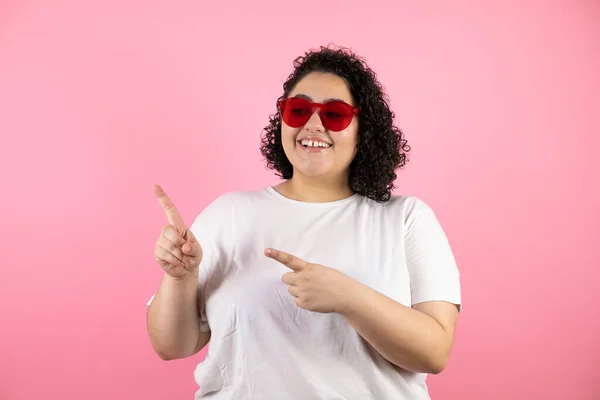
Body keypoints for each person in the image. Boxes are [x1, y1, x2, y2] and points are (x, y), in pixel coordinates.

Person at [146, 45, 462, 399]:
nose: (313, 124)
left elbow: (435, 352)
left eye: (335, 114)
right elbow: (170, 346)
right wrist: (180, 277)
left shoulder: (406, 219)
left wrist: (348, 297)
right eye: (299, 110)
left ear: (363, 130)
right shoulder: (229, 214)